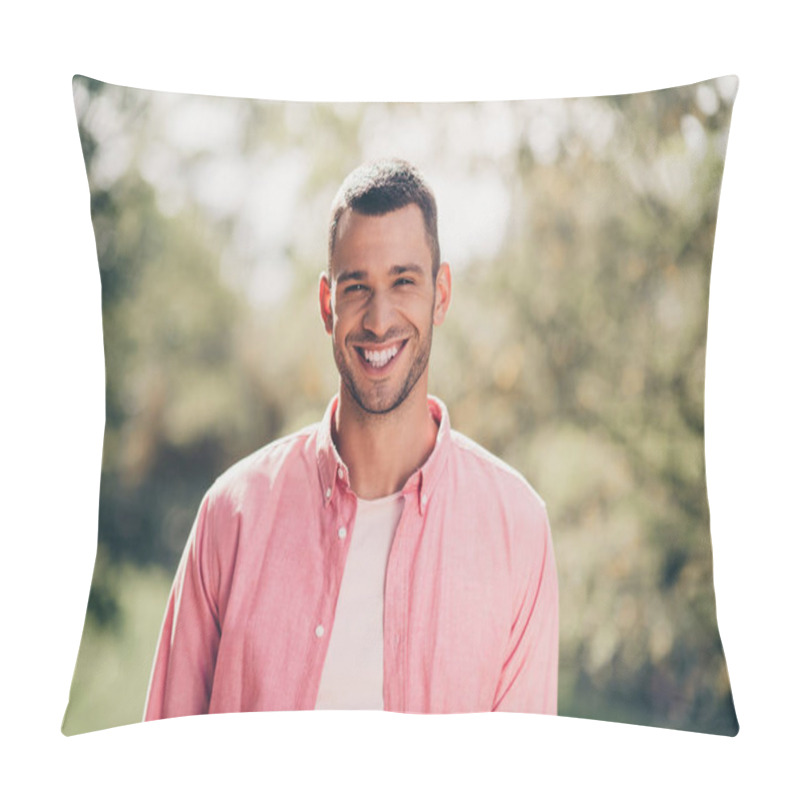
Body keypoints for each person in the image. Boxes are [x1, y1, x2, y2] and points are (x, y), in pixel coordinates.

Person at [144, 158, 558, 718]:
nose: (379, 319)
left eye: (404, 281)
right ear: (326, 304)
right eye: (356, 286)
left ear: (441, 294)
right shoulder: (231, 516)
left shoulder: (517, 530)